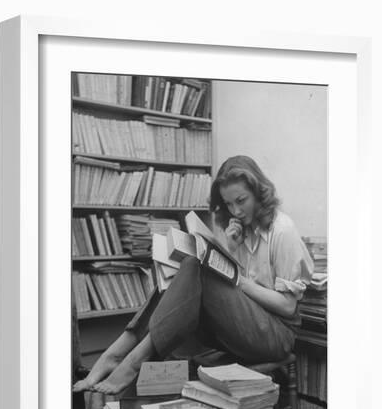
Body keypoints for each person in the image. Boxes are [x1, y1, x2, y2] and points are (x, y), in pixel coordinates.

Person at [73, 155, 314, 395]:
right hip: (247, 327)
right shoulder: (242, 229)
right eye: (229, 204)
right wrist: (232, 249)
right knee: (185, 270)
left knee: (197, 267)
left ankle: (128, 359)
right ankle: (116, 354)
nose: (236, 211)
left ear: (260, 192)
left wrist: (239, 280)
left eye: (241, 200)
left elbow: (286, 306)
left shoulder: (282, 230)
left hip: (276, 336)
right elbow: (237, 295)